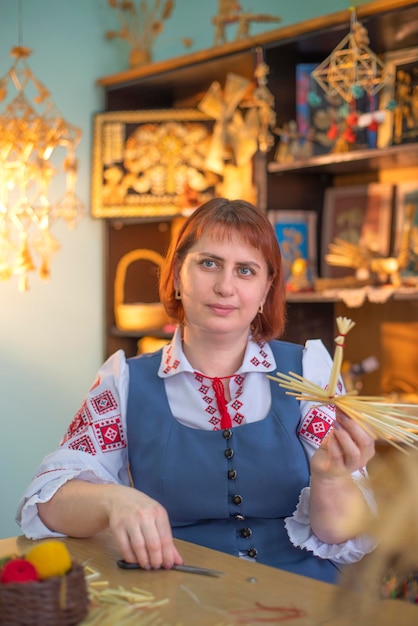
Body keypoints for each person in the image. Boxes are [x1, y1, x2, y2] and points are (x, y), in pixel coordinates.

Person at [16, 198, 377, 584]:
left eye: (245, 270)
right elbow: (49, 502)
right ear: (176, 274)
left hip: (303, 594)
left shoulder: (312, 375)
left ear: (266, 288)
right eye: (209, 263)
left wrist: (330, 478)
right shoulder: (124, 381)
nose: (225, 286)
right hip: (179, 592)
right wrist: (113, 499)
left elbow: (337, 531)